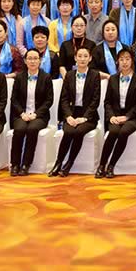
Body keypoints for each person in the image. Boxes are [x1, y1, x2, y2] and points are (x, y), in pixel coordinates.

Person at [51, 46, 101, 177]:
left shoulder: (95, 75)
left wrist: (84, 118)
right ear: (75, 58)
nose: (82, 59)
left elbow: (95, 100)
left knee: (78, 132)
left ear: (90, 58)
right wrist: (68, 116)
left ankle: (69, 163)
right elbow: (64, 99)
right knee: (68, 131)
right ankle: (58, 163)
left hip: (88, 116)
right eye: (79, 56)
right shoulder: (69, 75)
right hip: (72, 114)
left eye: (85, 56)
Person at [99, 48, 136, 178]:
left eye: (127, 59)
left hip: (132, 117)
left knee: (124, 132)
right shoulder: (113, 79)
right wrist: (111, 116)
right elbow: (107, 102)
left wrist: (127, 117)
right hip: (115, 116)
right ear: (117, 62)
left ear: (132, 61)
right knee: (113, 132)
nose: (124, 62)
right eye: (121, 59)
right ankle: (101, 165)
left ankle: (111, 166)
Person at [7, 48, 53, 177]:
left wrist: (36, 114)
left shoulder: (46, 77)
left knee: (32, 129)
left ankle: (26, 164)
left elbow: (49, 101)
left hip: (39, 116)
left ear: (40, 60)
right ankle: (15, 164)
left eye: (35, 58)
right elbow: (14, 99)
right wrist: (22, 113)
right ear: (25, 61)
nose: (32, 61)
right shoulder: (19, 77)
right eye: (30, 59)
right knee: (19, 129)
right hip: (21, 114)